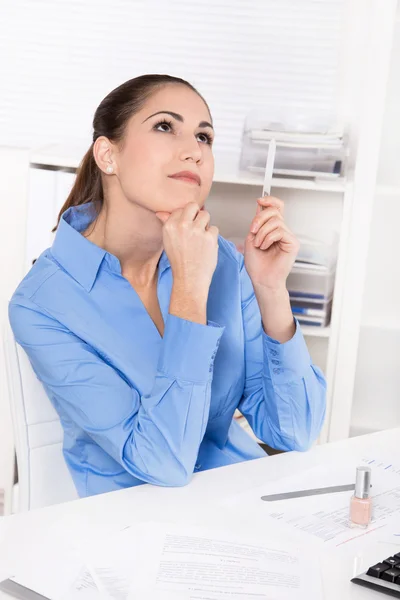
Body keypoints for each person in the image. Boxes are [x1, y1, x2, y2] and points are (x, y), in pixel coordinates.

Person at [9, 74, 326, 498]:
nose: (194, 150)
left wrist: (270, 290)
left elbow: (296, 430)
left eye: (205, 136)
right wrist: (190, 292)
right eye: (164, 126)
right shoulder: (43, 303)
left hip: (242, 509)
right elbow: (163, 463)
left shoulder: (225, 263)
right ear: (108, 155)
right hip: (132, 531)